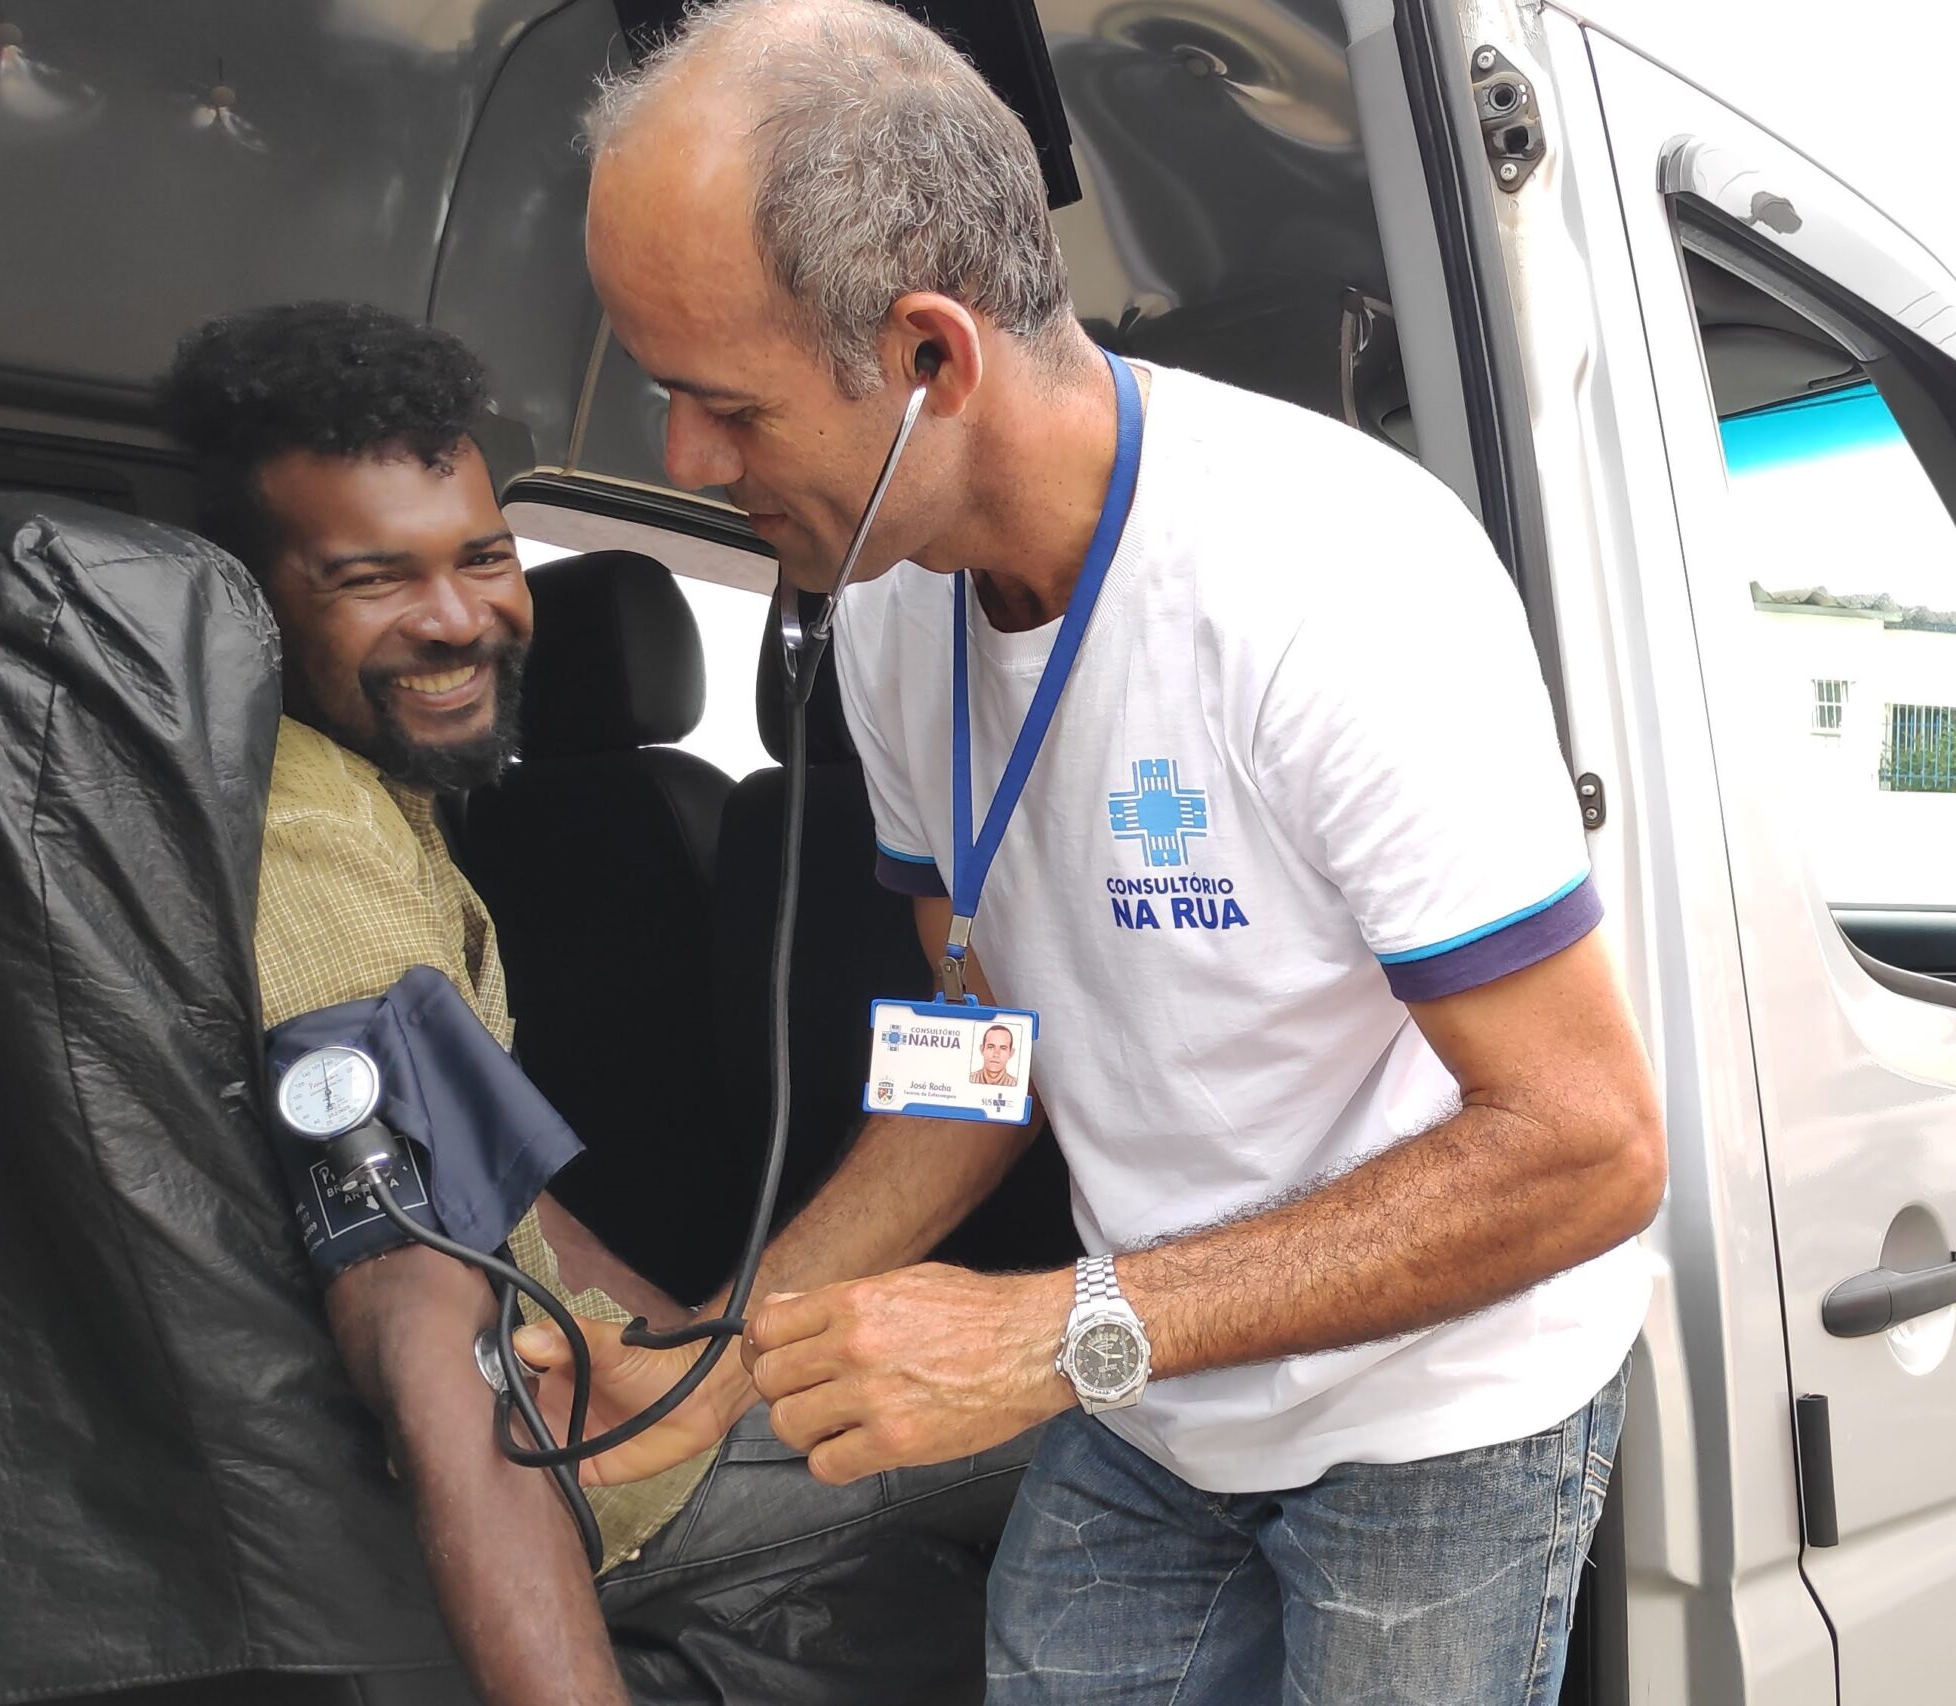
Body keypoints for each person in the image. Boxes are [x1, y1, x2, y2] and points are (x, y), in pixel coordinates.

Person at [523, 3, 1670, 1701]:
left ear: (930, 358)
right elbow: (977, 1047)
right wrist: (717, 1356)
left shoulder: (1331, 586)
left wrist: (1050, 1329)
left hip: (1440, 1412)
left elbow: (1589, 1148)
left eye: (723, 408)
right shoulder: (901, 610)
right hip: (1149, 1389)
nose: (685, 462)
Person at [159, 300, 1032, 1706]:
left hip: (628, 1399)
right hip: (578, 1480)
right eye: (376, 577)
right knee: (1136, 1420)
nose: (455, 616)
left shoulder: (403, 807)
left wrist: (693, 1342)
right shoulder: (317, 851)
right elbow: (428, 1314)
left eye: (486, 558)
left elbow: (989, 1029)